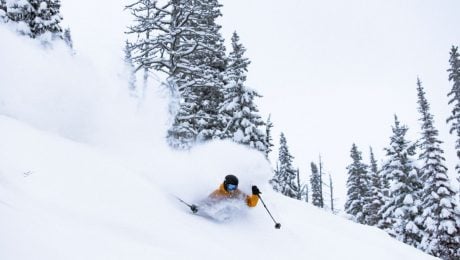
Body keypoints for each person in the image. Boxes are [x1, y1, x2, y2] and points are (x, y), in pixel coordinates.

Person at [190, 174, 261, 213]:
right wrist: (197, 207)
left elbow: (251, 204)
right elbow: (206, 202)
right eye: (231, 186)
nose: (232, 189)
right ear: (225, 184)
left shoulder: (237, 192)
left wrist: (255, 195)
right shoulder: (217, 193)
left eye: (235, 187)